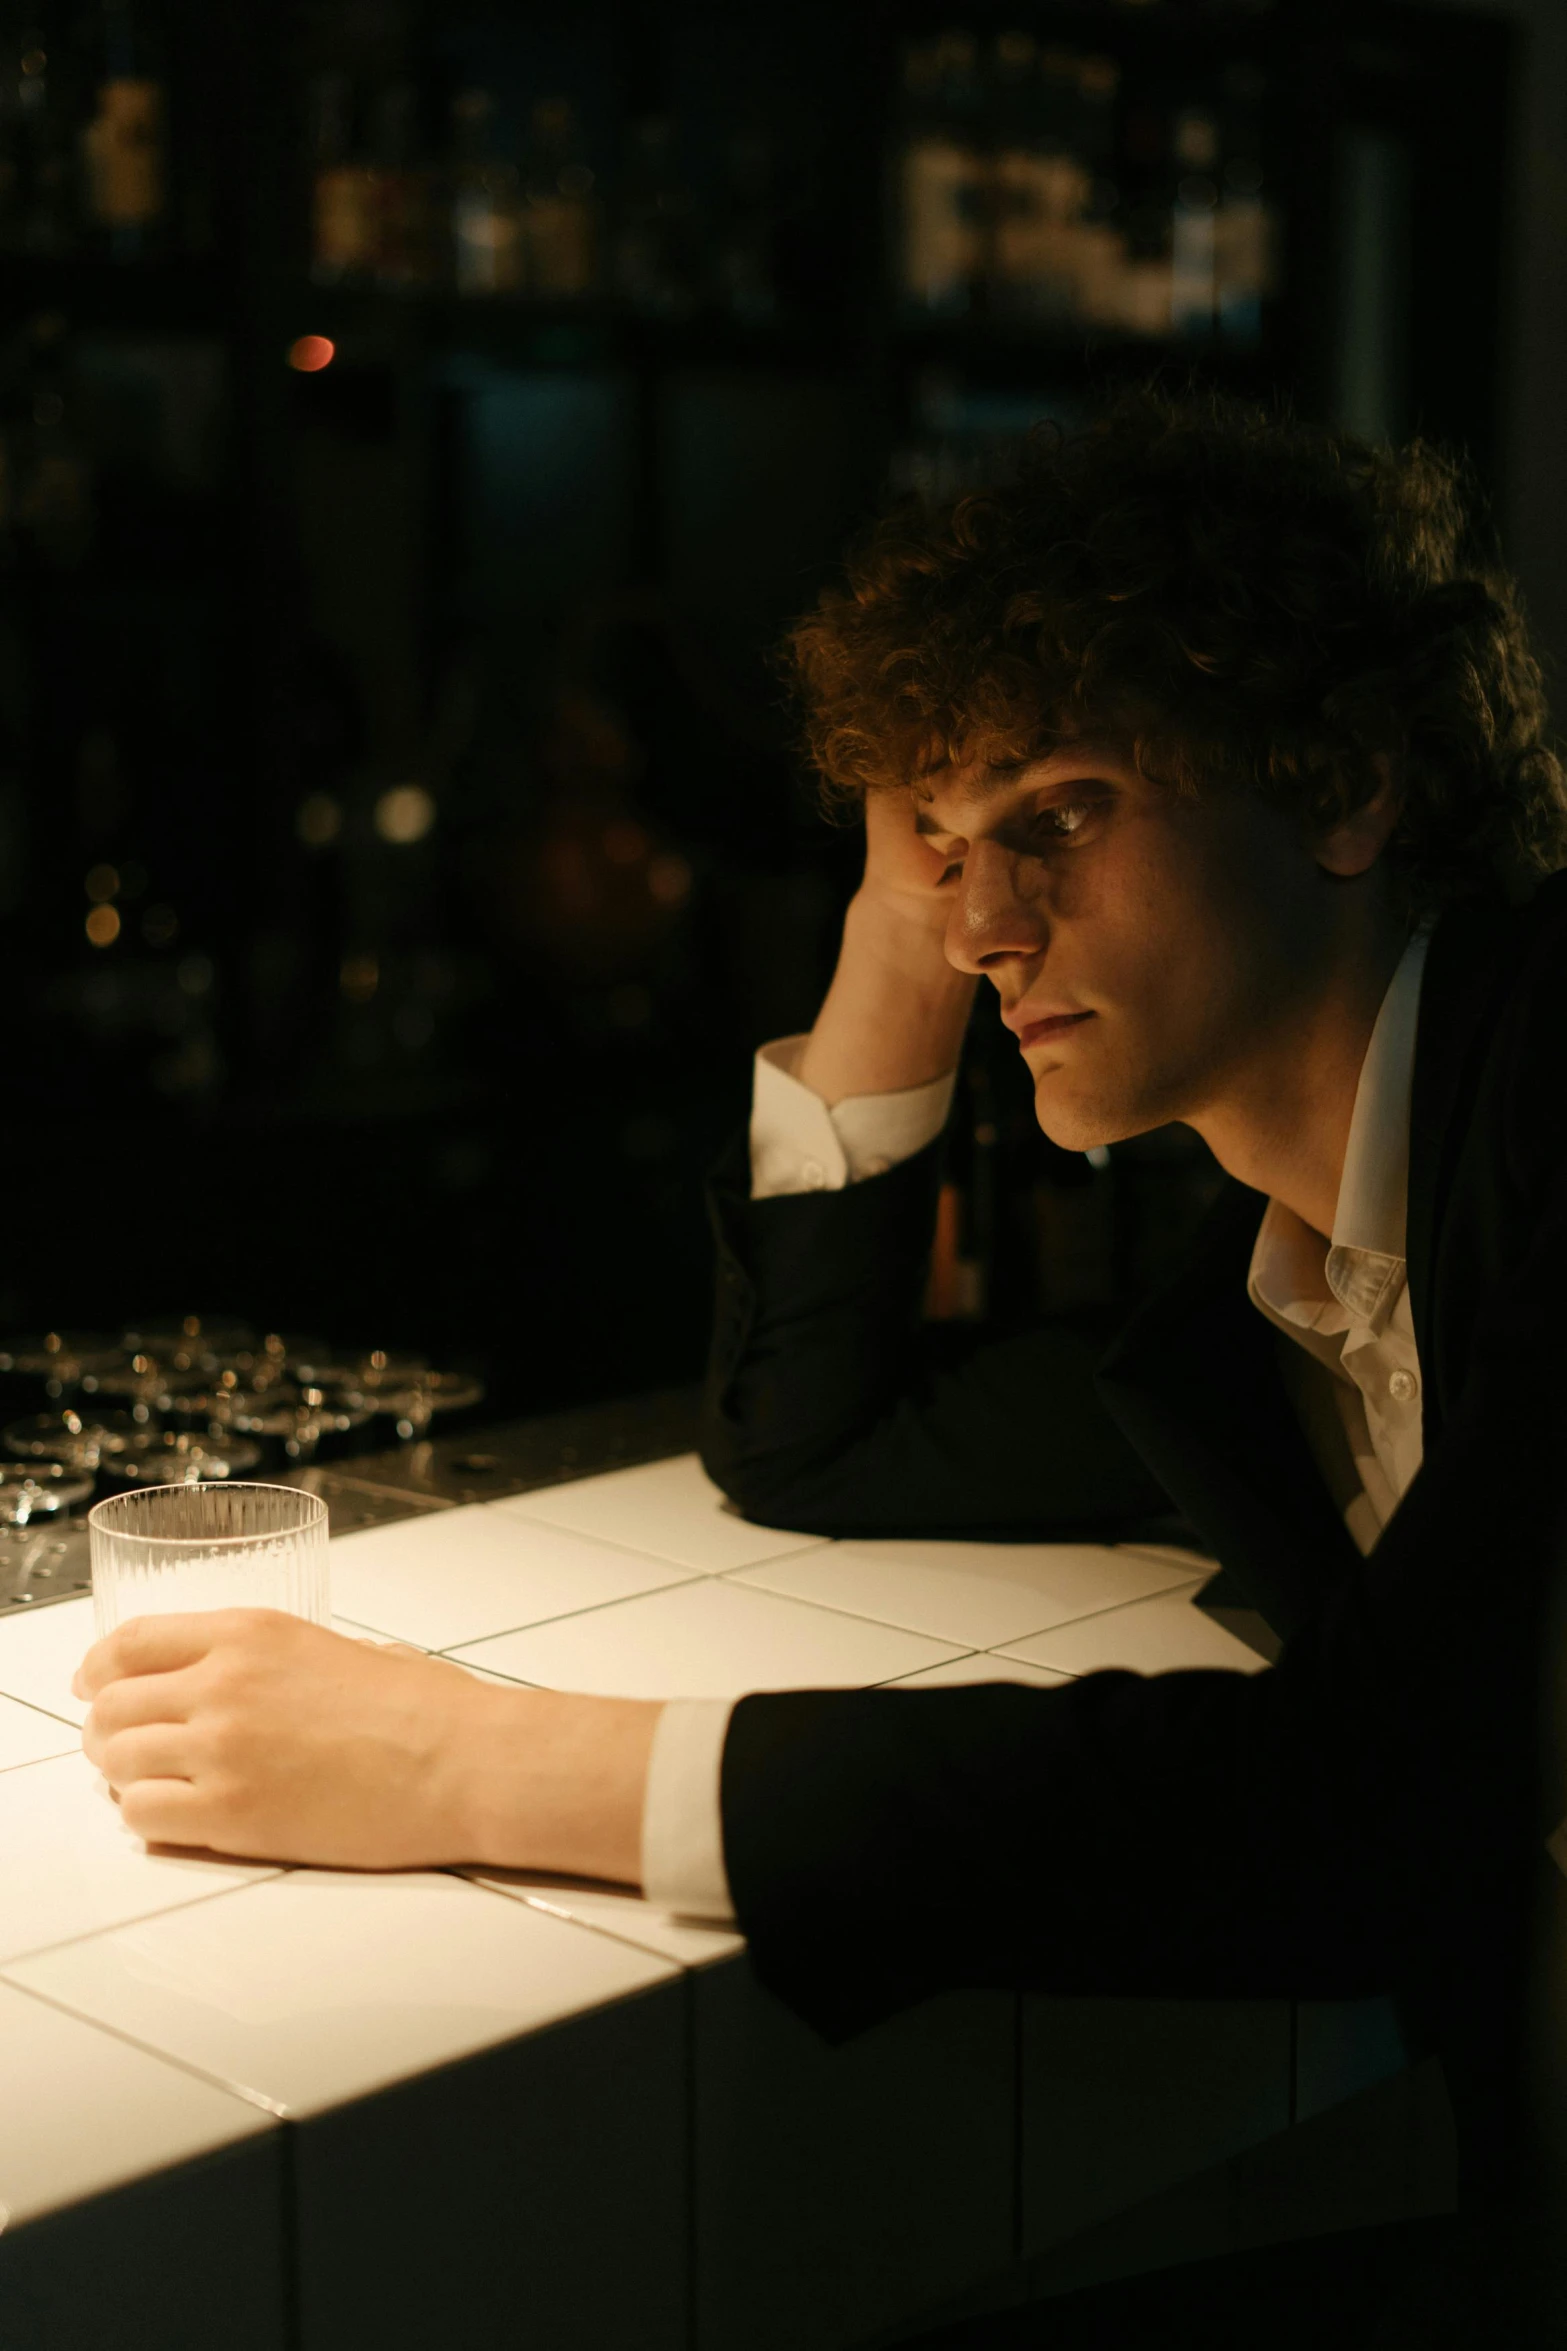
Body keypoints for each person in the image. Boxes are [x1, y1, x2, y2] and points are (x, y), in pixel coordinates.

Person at [75, 394, 1567, 2343]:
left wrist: (470, 1754)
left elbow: (1372, 1799)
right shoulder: (1269, 1302)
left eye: (1064, 815)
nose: (985, 922)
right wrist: (892, 920)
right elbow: (813, 1432)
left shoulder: (1550, 1084)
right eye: (943, 849)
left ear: (1346, 786)